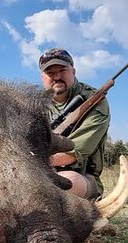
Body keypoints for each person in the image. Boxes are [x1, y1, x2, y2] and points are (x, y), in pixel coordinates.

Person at [38, 48, 110, 200]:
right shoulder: (35, 104)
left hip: (81, 177)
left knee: (66, 181)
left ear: (73, 71)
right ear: (42, 77)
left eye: (62, 70)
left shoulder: (95, 101)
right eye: (50, 72)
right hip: (36, 170)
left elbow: (72, 154)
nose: (57, 77)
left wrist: (32, 161)